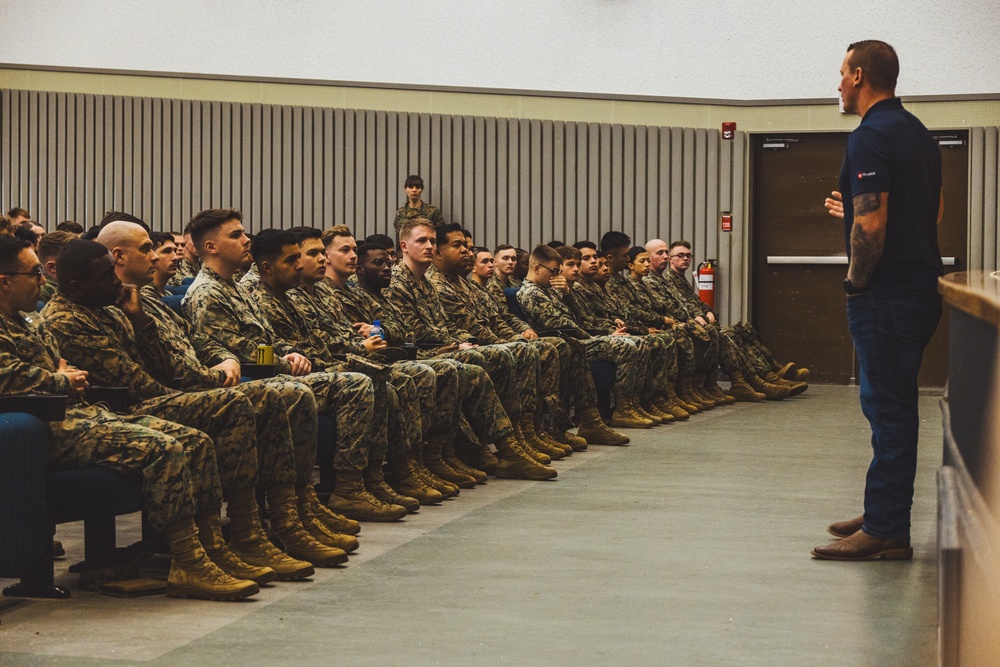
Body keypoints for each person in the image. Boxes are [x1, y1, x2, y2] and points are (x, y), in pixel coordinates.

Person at [0, 235, 259, 601]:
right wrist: (59, 378)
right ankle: (189, 563)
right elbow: (14, 374)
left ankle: (210, 552)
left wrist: (61, 376)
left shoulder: (28, 322)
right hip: (46, 427)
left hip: (83, 414)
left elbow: (57, 369)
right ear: (5, 280)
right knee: (163, 448)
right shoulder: (42, 319)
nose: (43, 280)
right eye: (35, 273)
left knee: (195, 441)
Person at [180, 209, 399, 523]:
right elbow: (236, 352)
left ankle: (364, 482)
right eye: (236, 235)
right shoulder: (206, 293)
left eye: (243, 233)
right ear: (211, 247)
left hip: (274, 371)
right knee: (356, 383)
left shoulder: (231, 287)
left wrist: (287, 353)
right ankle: (341, 491)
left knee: (376, 375)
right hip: (252, 381)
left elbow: (263, 341)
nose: (246, 240)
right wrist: (282, 361)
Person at [812, 40, 943, 562]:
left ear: (860, 75)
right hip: (918, 289)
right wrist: (855, 211)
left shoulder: (869, 136)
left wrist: (855, 282)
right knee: (889, 406)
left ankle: (887, 527)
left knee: (886, 409)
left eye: (842, 73)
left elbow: (872, 223)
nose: (838, 84)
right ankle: (881, 506)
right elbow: (926, 216)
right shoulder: (918, 134)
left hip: (886, 295)